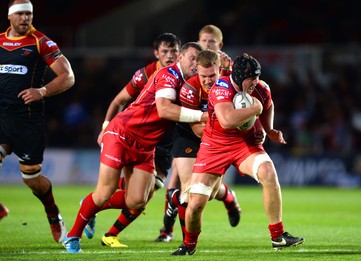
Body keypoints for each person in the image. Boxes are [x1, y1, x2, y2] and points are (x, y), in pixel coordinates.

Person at [62, 42, 206, 253]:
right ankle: (73, 236)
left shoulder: (192, 84)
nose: (195, 63)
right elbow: (165, 110)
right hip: (122, 134)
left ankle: (90, 204)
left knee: (137, 201)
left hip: (146, 147)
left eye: (198, 59)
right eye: (192, 58)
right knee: (104, 192)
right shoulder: (169, 74)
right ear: (181, 58)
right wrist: (202, 116)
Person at [172, 53, 304, 255]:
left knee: (268, 173)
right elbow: (227, 121)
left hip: (245, 144)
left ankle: (278, 236)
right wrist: (254, 109)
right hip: (214, 145)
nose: (255, 82)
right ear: (240, 77)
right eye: (251, 78)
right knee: (196, 203)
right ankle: (189, 245)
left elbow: (268, 104)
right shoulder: (221, 88)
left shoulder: (261, 89)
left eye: (257, 77)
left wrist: (269, 129)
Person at [81, 33, 182, 248]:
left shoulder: (184, 74)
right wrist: (106, 126)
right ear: (156, 54)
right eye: (165, 51)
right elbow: (119, 100)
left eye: (174, 51)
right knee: (140, 195)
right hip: (134, 136)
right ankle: (100, 219)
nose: (170, 55)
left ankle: (94, 209)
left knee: (141, 196)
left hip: (163, 142)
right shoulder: (145, 74)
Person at [0, 0, 75, 243]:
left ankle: (53, 213)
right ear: (10, 17)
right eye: (20, 14)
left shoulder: (41, 42)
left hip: (27, 119)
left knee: (32, 179)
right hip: (1, 116)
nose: (25, 18)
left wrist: (41, 91)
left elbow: (68, 76)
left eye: (29, 14)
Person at [155, 24, 238, 242]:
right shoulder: (188, 66)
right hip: (188, 129)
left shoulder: (224, 72)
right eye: (203, 41)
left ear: (219, 46)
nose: (205, 45)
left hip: (214, 135)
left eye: (210, 42)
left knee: (207, 190)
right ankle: (170, 231)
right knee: (182, 181)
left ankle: (227, 196)